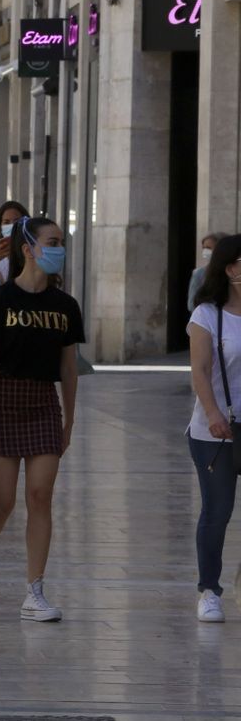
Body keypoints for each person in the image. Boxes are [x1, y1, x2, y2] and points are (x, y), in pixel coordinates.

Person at [0, 215, 82, 623]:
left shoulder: (65, 306)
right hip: (1, 402)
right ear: (28, 249)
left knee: (40, 496)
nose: (59, 248)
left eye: (61, 241)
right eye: (52, 241)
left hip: (43, 403)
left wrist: (69, 421)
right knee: (3, 502)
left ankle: (35, 591)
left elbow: (69, 368)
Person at [187, 233, 241, 623]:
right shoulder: (207, 315)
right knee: (218, 511)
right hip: (216, 431)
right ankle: (209, 590)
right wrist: (212, 413)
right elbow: (200, 370)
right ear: (230, 268)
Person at [189, 232, 226, 312]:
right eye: (204, 248)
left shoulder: (232, 272)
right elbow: (191, 304)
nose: (205, 251)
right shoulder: (199, 273)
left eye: (209, 248)